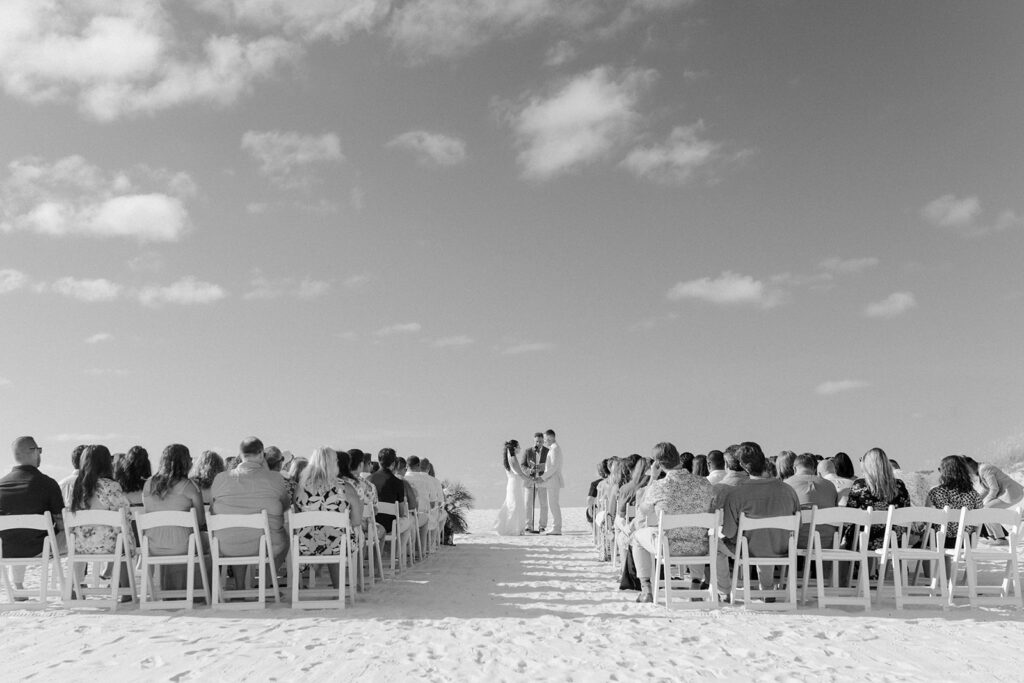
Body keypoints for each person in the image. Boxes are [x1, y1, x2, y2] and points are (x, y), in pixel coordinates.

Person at [628, 444, 714, 603]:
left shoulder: (658, 486)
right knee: (695, 532)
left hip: (668, 547)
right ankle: (695, 586)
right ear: (678, 457)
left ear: (658, 464)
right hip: (700, 547)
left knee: (636, 537)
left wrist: (653, 477)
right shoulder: (704, 483)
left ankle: (646, 588)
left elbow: (643, 510)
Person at [718, 442, 801, 598]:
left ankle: (724, 591)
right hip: (781, 548)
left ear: (743, 465)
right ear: (764, 460)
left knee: (715, 544)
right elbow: (798, 525)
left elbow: (729, 532)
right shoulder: (788, 490)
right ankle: (767, 589)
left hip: (749, 550)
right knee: (767, 538)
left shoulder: (736, 494)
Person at [210, 437, 291, 581]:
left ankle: (240, 588)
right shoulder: (275, 478)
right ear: (261, 454)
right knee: (285, 539)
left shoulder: (221, 478)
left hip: (227, 544)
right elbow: (285, 506)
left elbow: (212, 511)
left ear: (240, 455)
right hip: (266, 544)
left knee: (237, 532)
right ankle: (264, 585)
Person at [0, 436, 65, 592]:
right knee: (71, 533)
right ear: (34, 451)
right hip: (40, 550)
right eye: (39, 450)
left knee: (15, 534)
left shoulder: (1, 485)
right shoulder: (47, 483)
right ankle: (72, 585)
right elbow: (61, 522)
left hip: (5, 550)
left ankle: (18, 586)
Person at [69, 445, 135, 591]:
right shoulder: (110, 486)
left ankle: (74, 587)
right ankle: (126, 589)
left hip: (81, 546)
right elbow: (124, 513)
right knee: (124, 537)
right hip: (109, 546)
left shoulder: (77, 487)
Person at [141, 444, 207, 590]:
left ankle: (169, 589)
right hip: (183, 545)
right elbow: (200, 521)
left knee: (169, 534)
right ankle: (197, 590)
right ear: (185, 462)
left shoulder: (148, 484)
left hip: (153, 545)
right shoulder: (190, 486)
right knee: (208, 543)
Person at [294, 447, 361, 589]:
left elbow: (298, 514)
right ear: (333, 463)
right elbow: (356, 521)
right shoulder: (345, 488)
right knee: (337, 536)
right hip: (338, 544)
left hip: (306, 545)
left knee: (325, 535)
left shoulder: (300, 488)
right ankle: (339, 587)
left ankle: (309, 577)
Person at [845, 448, 911, 550]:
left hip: (865, 540)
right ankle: (888, 565)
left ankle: (862, 565)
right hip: (893, 540)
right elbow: (906, 512)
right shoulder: (899, 485)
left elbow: (849, 514)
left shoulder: (860, 485)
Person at [962, 456, 1023, 543]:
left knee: (987, 509)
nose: (966, 472)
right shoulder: (981, 470)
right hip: (1006, 494)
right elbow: (986, 489)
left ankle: (1000, 538)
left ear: (969, 465)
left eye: (965, 469)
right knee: (984, 509)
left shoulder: (985, 469)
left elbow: (994, 489)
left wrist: (985, 502)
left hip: (1011, 493)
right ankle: (993, 537)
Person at [926, 456, 983, 547]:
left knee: (922, 544)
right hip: (966, 542)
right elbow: (979, 519)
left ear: (944, 472)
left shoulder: (935, 492)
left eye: (940, 469)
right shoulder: (974, 495)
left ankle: (939, 561)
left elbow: (927, 518)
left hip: (941, 541)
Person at [785, 453, 838, 549]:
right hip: (827, 543)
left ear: (794, 469)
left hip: (796, 542)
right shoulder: (830, 486)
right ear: (814, 469)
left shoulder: (786, 485)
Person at [369, 448, 412, 537]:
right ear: (393, 464)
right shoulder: (398, 482)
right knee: (408, 522)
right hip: (390, 526)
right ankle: (400, 550)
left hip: (372, 524)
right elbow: (400, 512)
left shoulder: (368, 480)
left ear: (379, 461)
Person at [494, 441, 531, 536]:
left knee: (512, 504)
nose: (520, 448)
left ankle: (514, 528)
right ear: (514, 448)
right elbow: (520, 473)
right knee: (515, 505)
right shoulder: (513, 458)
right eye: (519, 446)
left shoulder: (509, 457)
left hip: (513, 484)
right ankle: (513, 528)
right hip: (515, 485)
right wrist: (531, 479)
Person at [520, 432, 548, 532]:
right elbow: (522, 465)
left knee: (544, 504)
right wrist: (530, 471)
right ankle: (528, 525)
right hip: (530, 481)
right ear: (534, 441)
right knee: (528, 504)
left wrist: (543, 468)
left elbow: (550, 466)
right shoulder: (528, 451)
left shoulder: (548, 451)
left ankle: (542, 526)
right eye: (537, 441)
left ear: (543, 441)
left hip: (542, 481)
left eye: (540, 441)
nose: (538, 443)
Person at [539, 429, 564, 535]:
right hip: (551, 481)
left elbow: (553, 467)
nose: (545, 441)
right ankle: (556, 527)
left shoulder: (554, 449)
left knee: (553, 504)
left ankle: (557, 528)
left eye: (545, 439)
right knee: (553, 504)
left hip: (553, 480)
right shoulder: (553, 449)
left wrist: (542, 477)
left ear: (551, 437)